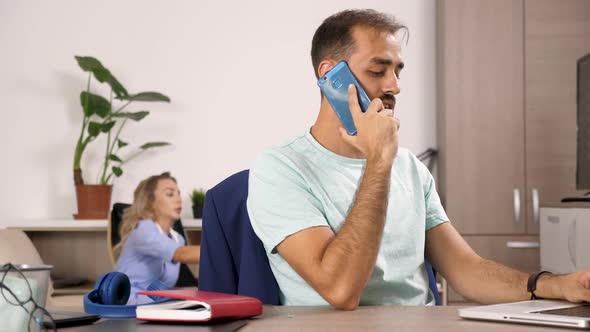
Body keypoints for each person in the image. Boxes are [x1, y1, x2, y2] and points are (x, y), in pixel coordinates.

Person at [247, 9, 590, 309]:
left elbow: (466, 270)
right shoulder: (280, 168)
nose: (395, 86)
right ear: (330, 77)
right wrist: (379, 162)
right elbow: (340, 290)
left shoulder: (410, 167)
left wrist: (553, 285)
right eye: (378, 70)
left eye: (398, 71)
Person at [114, 172, 200, 304]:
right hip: (127, 303)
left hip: (153, 304)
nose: (178, 199)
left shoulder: (177, 239)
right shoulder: (144, 229)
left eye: (178, 193)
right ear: (151, 202)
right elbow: (182, 254)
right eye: (170, 194)